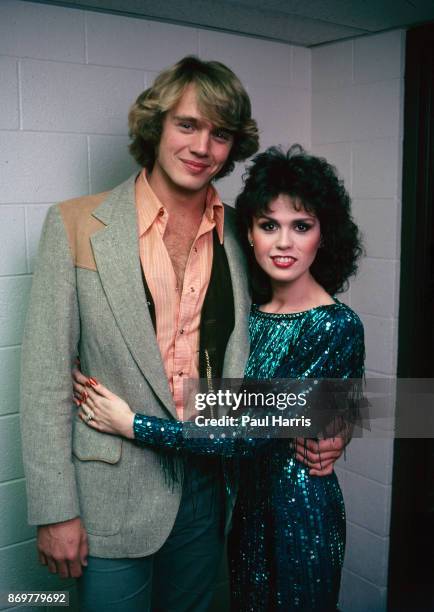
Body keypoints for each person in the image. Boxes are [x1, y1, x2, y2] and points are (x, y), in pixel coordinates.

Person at [73, 145, 365, 610]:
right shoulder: (246, 311)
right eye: (269, 225)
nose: (284, 242)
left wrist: (132, 423)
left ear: (323, 235)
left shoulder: (335, 325)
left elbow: (247, 435)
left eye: (301, 226)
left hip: (299, 518)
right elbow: (229, 405)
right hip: (242, 512)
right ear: (248, 233)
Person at [20, 55, 261, 612]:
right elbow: (43, 384)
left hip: (206, 489)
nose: (202, 146)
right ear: (156, 126)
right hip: (109, 497)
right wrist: (56, 511)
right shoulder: (75, 223)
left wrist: (324, 424)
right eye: (188, 125)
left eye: (220, 133)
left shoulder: (243, 239)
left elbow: (287, 340)